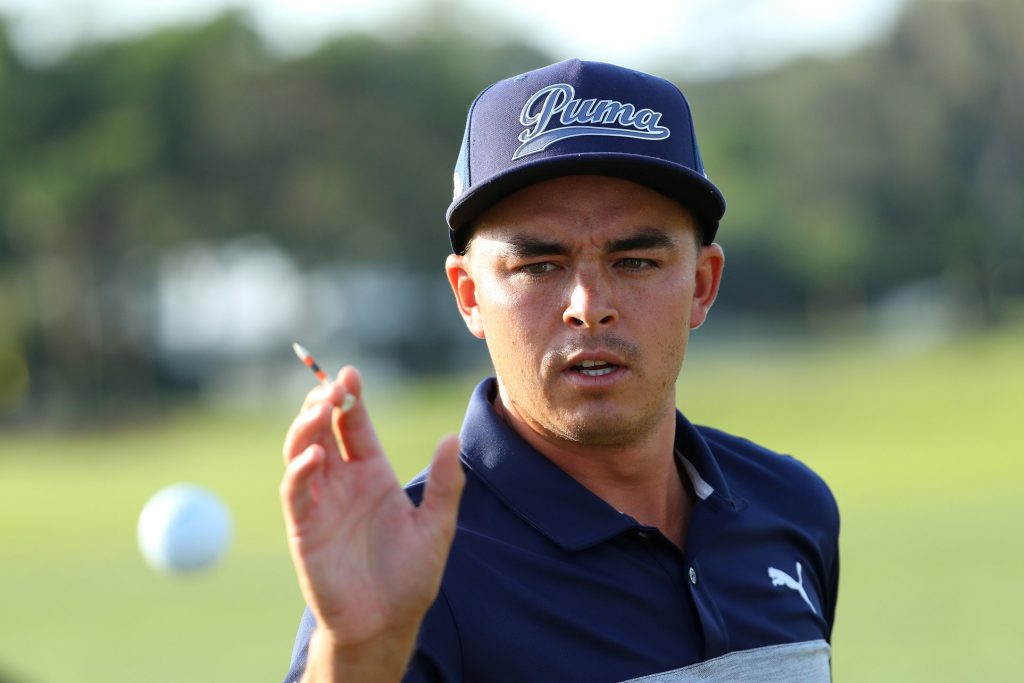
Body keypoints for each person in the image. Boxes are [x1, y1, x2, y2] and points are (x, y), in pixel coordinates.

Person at [281, 59, 839, 682]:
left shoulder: (790, 507)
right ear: (469, 296)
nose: (589, 307)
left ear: (702, 285)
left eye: (635, 261)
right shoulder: (412, 568)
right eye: (539, 266)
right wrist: (357, 653)